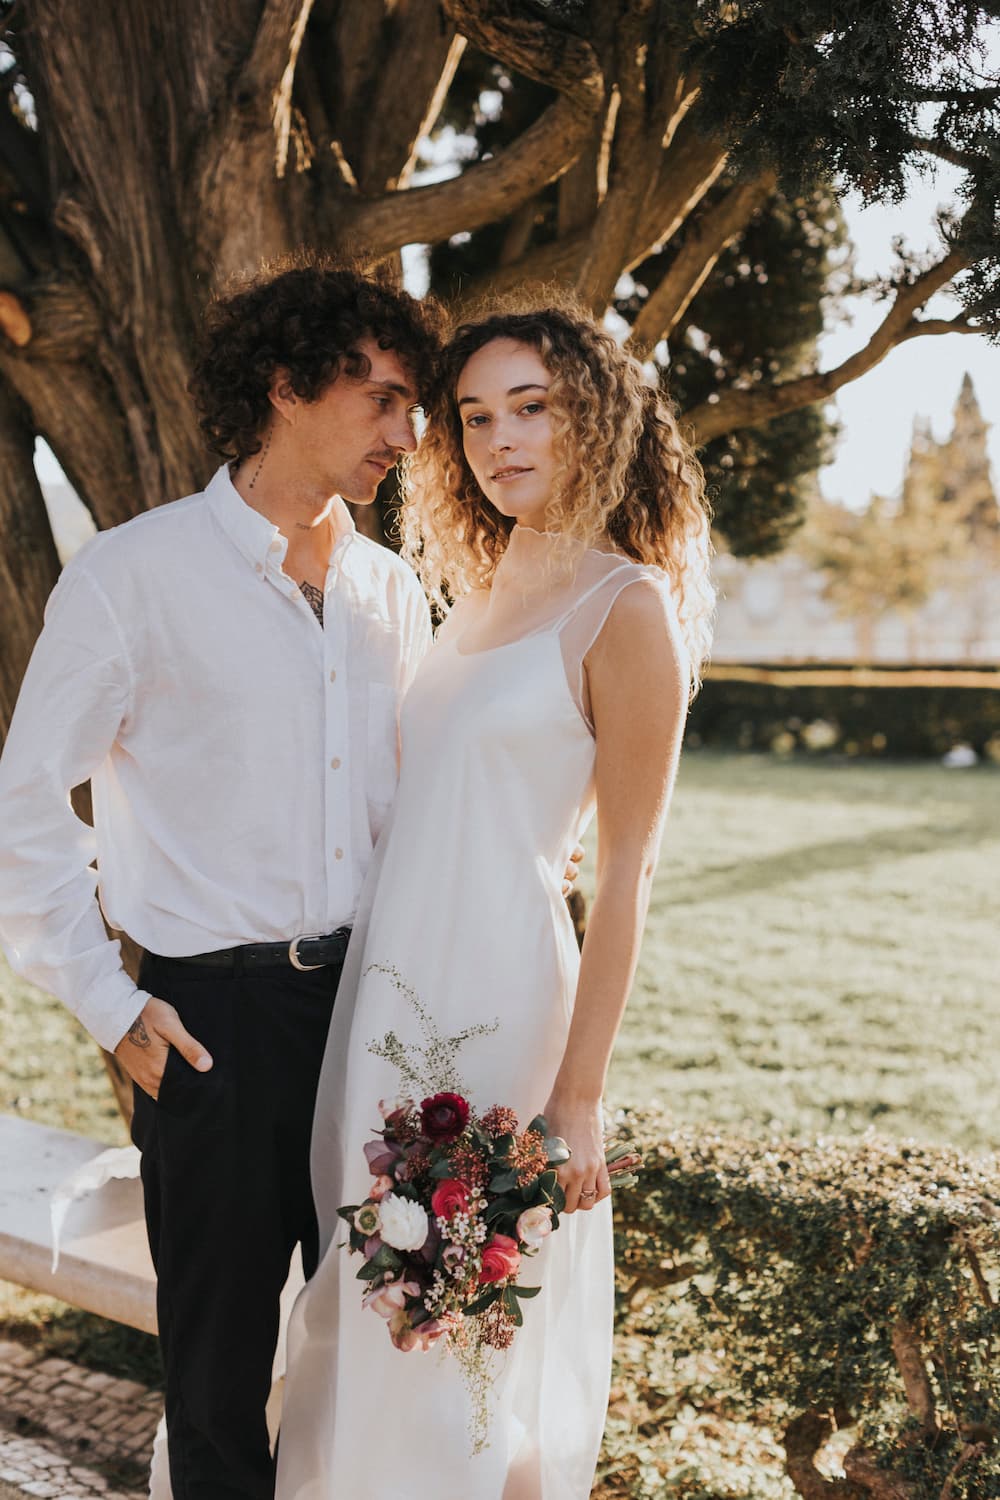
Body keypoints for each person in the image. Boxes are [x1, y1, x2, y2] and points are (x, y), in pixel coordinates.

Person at [0, 258, 445, 1500]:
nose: (409, 437)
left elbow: (410, 804)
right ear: (288, 388)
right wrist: (106, 1000)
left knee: (379, 1354)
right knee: (215, 1378)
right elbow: (25, 803)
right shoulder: (131, 578)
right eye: (386, 401)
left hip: (371, 1022)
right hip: (213, 1026)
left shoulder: (388, 589)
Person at [274, 300, 715, 1500]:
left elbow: (625, 874)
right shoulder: (465, 598)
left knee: (460, 1333)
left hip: (498, 1011)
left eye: (532, 407)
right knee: (372, 1312)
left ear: (598, 419)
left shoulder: (625, 609)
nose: (498, 439)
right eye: (473, 417)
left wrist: (577, 1096)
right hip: (387, 994)